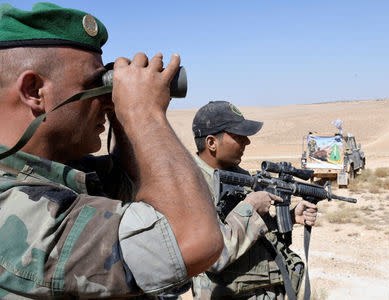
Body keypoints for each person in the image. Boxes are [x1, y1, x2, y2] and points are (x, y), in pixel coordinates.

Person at [0, 2, 223, 299]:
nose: (108, 101)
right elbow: (192, 240)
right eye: (96, 86)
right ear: (34, 91)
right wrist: (144, 112)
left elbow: (140, 189)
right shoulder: (10, 203)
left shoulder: (61, 173)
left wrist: (123, 112)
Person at [190, 100, 318, 299]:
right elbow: (212, 255)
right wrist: (250, 207)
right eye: (238, 136)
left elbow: (250, 235)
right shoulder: (189, 185)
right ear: (211, 143)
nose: (247, 142)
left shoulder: (239, 176)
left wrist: (290, 218)